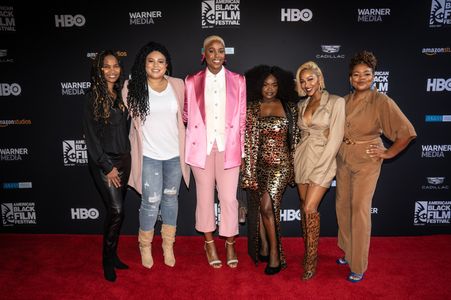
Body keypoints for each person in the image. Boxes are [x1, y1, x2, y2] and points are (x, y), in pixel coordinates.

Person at [335, 50, 416, 282]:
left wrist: (389, 152)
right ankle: (349, 252)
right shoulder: (344, 101)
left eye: (366, 74)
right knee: (343, 206)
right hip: (343, 157)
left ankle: (358, 264)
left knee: (360, 208)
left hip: (367, 159)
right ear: (350, 78)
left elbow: (407, 132)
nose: (361, 78)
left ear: (373, 77)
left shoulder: (382, 101)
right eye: (356, 74)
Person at [122, 41, 190, 269]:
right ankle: (145, 246)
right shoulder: (131, 88)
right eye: (151, 61)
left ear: (167, 65)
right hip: (148, 155)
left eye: (161, 61)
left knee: (171, 199)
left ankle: (168, 245)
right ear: (144, 64)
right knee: (151, 202)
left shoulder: (178, 85)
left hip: (173, 155)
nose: (155, 65)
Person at [183, 35, 246, 269]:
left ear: (225, 55)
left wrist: (242, 150)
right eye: (212, 51)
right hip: (202, 149)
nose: (217, 55)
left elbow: (242, 118)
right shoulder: (192, 81)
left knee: (229, 199)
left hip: (229, 149)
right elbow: (187, 115)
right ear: (204, 54)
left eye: (221, 51)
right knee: (205, 198)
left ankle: (230, 242)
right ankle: (209, 243)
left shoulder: (239, 81)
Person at [241, 65, 299, 275]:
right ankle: (264, 247)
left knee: (267, 206)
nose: (270, 89)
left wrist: (294, 168)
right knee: (259, 207)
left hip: (281, 166)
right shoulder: (251, 107)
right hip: (258, 166)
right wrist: (248, 173)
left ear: (281, 86)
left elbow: (295, 140)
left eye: (274, 85)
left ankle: (275, 254)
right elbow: (247, 143)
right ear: (258, 85)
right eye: (265, 84)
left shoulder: (289, 107)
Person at [294, 61, 345, 280]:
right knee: (305, 210)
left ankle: (311, 261)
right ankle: (309, 250)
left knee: (309, 209)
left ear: (320, 78)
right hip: (302, 158)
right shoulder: (301, 105)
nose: (306, 84)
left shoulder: (336, 102)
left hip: (323, 160)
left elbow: (335, 138)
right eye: (303, 81)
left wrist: (322, 167)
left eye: (310, 79)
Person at [82, 50, 131, 282]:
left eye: (116, 66)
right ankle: (106, 261)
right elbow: (91, 138)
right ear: (98, 70)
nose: (112, 70)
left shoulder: (120, 94)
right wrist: (107, 166)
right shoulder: (93, 97)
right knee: (116, 210)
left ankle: (113, 255)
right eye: (106, 66)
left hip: (124, 160)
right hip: (105, 163)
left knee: (116, 215)